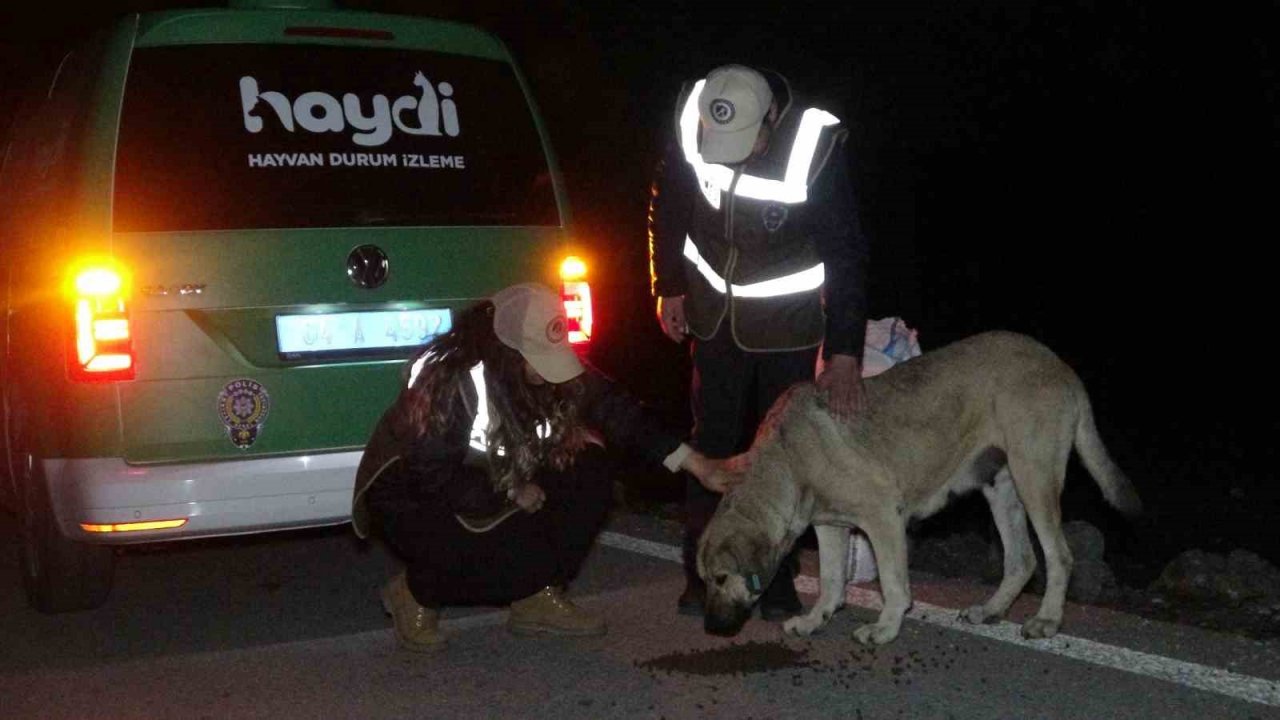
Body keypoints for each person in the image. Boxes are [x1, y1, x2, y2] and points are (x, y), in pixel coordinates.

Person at [351, 283, 728, 651]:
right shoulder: (451, 381)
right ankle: (416, 592)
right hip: (411, 494)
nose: (551, 373)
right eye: (539, 361)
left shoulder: (547, 368)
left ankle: (537, 597)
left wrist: (696, 464)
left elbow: (620, 412)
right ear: (506, 350)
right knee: (489, 554)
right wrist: (510, 489)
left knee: (590, 469)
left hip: (490, 476)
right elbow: (431, 476)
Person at [648, 64, 870, 621]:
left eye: (748, 144)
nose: (735, 156)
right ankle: (702, 573)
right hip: (712, 318)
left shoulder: (815, 145)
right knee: (711, 443)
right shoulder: (691, 113)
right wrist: (667, 286)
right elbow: (668, 202)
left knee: (785, 451)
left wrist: (845, 352)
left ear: (772, 117)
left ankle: (774, 580)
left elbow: (846, 251)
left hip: (787, 324)